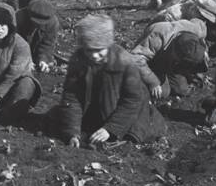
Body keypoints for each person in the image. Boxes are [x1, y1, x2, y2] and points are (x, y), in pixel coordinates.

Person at [53, 14, 165, 148]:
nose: (94, 55)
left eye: (99, 50)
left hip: (125, 111)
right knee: (57, 120)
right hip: (93, 106)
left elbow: (132, 100)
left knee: (135, 133)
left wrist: (110, 129)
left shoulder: (125, 62)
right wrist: (72, 133)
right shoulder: (78, 60)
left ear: (108, 45)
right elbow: (72, 97)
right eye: (89, 50)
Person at [131, 18, 209, 101]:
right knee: (163, 92)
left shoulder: (195, 30)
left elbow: (200, 24)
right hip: (153, 59)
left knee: (182, 90)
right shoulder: (157, 37)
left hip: (172, 59)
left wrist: (203, 53)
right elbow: (136, 58)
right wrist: (153, 81)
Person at [15, 0, 59, 73]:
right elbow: (15, 43)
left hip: (35, 49)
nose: (39, 25)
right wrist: (25, 58)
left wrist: (43, 60)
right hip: (19, 51)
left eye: (42, 23)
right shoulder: (19, 17)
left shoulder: (53, 23)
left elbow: (47, 44)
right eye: (36, 22)